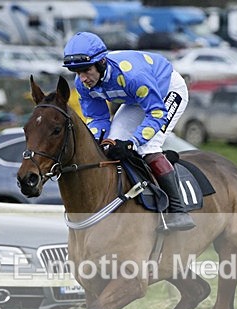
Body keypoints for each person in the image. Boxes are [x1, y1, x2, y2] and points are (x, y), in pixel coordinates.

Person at [62, 31, 194, 231]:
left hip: (166, 90)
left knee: (148, 145)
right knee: (113, 143)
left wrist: (133, 142)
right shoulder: (83, 84)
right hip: (135, 98)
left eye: (86, 70)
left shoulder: (132, 76)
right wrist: (98, 142)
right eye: (77, 72)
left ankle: (178, 210)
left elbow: (156, 113)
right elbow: (98, 119)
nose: (82, 78)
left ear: (101, 63)